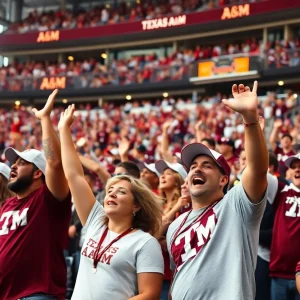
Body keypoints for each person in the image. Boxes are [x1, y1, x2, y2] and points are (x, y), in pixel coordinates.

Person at [166, 81, 269, 299]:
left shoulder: (237, 206)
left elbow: (258, 170)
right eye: (193, 166)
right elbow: (180, 275)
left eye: (206, 165)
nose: (197, 170)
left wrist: (250, 120)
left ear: (224, 180)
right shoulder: (175, 226)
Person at [58, 104, 164, 300]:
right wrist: (64, 130)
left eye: (121, 192)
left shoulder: (145, 243)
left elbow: (150, 294)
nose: (112, 194)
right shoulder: (95, 221)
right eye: (110, 191)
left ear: (136, 205)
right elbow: (74, 176)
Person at [0, 89, 71, 300]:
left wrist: (45, 119)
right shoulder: (7, 205)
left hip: (37, 294)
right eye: (13, 163)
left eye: (22, 164)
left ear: (38, 172)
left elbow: (56, 163)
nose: (13, 167)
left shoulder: (48, 200)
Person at [269, 154, 300, 300]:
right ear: (288, 172)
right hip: (279, 273)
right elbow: (258, 171)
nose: (297, 170)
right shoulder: (280, 190)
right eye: (293, 167)